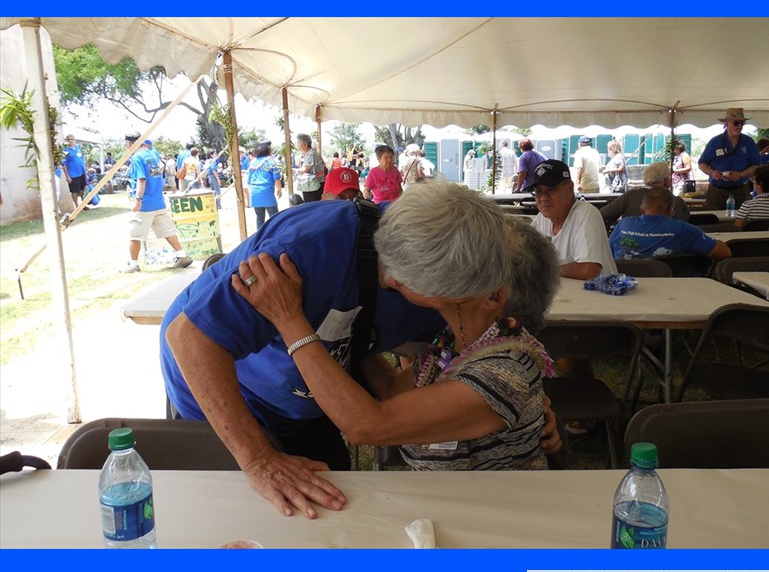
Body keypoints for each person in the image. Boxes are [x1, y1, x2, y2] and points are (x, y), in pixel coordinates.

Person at [161, 172, 561, 518]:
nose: (393, 283)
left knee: (328, 506)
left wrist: (523, 406)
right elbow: (189, 337)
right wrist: (258, 459)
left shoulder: (451, 288)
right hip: (233, 396)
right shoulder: (307, 251)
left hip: (310, 399)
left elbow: (372, 416)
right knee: (244, 524)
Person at [232, 183, 562, 473]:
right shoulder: (454, 345)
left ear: (492, 296)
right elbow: (390, 389)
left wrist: (291, 322)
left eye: (458, 266)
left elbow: (367, 425)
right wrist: (342, 313)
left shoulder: (503, 372)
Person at [119, 131, 193, 273]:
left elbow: (141, 179)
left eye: (126, 143)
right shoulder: (151, 154)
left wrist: (138, 200)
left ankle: (133, 264)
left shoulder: (136, 157)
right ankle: (181, 255)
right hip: (158, 201)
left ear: (131, 143)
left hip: (145, 203)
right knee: (167, 231)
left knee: (134, 234)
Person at [530, 159, 617, 280]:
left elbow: (589, 270)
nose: (543, 198)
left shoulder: (586, 214)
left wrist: (546, 269)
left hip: (601, 296)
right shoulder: (542, 219)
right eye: (538, 192)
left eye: (551, 190)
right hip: (566, 296)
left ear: (570, 189)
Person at [610, 187, 731, 261]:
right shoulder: (682, 229)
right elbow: (724, 253)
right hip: (672, 286)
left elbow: (608, 252)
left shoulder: (623, 224)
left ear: (642, 210)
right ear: (671, 210)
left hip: (625, 285)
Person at [698, 107, 761, 210]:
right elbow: (702, 163)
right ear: (726, 123)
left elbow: (756, 165)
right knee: (714, 220)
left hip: (741, 191)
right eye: (736, 123)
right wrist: (712, 172)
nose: (740, 126)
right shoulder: (715, 141)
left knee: (742, 222)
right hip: (716, 191)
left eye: (742, 123)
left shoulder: (748, 142)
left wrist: (741, 174)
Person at [600, 162, 690, 226]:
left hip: (631, 247)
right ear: (666, 181)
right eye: (670, 176)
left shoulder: (631, 196)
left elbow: (602, 215)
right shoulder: (677, 202)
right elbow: (685, 223)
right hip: (669, 249)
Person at [733, 164, 769, 228]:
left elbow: (736, 228)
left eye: (754, 180)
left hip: (751, 237)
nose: (752, 182)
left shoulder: (748, 205)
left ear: (760, 184)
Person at [247, 140, 282, 228]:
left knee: (259, 217)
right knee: (274, 217)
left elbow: (249, 180)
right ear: (268, 149)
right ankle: (274, 235)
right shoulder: (270, 161)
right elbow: (276, 178)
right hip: (267, 192)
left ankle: (259, 237)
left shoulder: (252, 163)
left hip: (255, 193)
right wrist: (279, 189)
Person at [295, 133, 325, 203]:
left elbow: (306, 169)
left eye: (298, 143)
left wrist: (297, 171)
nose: (297, 145)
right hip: (317, 183)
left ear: (305, 144)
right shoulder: (310, 153)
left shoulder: (310, 154)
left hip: (312, 185)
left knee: (312, 205)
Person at [61, 134, 87, 209]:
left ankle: (83, 204)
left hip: (81, 172)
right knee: (74, 191)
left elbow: (82, 159)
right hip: (73, 174)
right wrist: (67, 176)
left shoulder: (78, 148)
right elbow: (64, 164)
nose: (70, 141)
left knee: (82, 189)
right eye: (68, 139)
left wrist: (85, 171)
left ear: (74, 140)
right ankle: (76, 205)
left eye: (71, 139)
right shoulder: (65, 150)